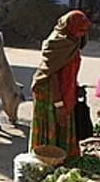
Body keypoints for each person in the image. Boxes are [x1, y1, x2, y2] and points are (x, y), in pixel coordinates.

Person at [30, 10, 89, 158]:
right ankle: (47, 158)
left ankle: (64, 158)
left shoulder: (73, 42)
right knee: (52, 124)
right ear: (69, 27)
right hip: (50, 92)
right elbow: (52, 75)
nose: (82, 34)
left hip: (65, 91)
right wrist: (59, 104)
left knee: (64, 123)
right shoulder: (56, 43)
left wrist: (74, 87)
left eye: (84, 30)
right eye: (79, 30)